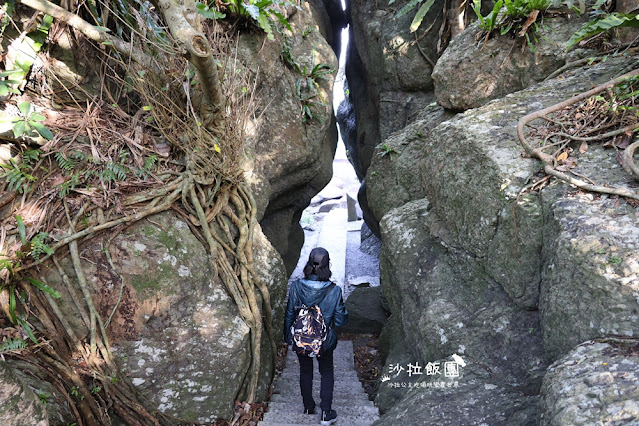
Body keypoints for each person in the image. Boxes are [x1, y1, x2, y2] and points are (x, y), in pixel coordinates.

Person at [284, 247, 349, 426]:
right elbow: (341, 320)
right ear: (327, 266)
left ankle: (308, 407)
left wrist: (288, 336)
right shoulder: (334, 290)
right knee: (326, 371)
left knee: (305, 370)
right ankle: (326, 413)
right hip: (324, 341)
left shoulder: (296, 286)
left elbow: (289, 312)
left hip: (301, 338)